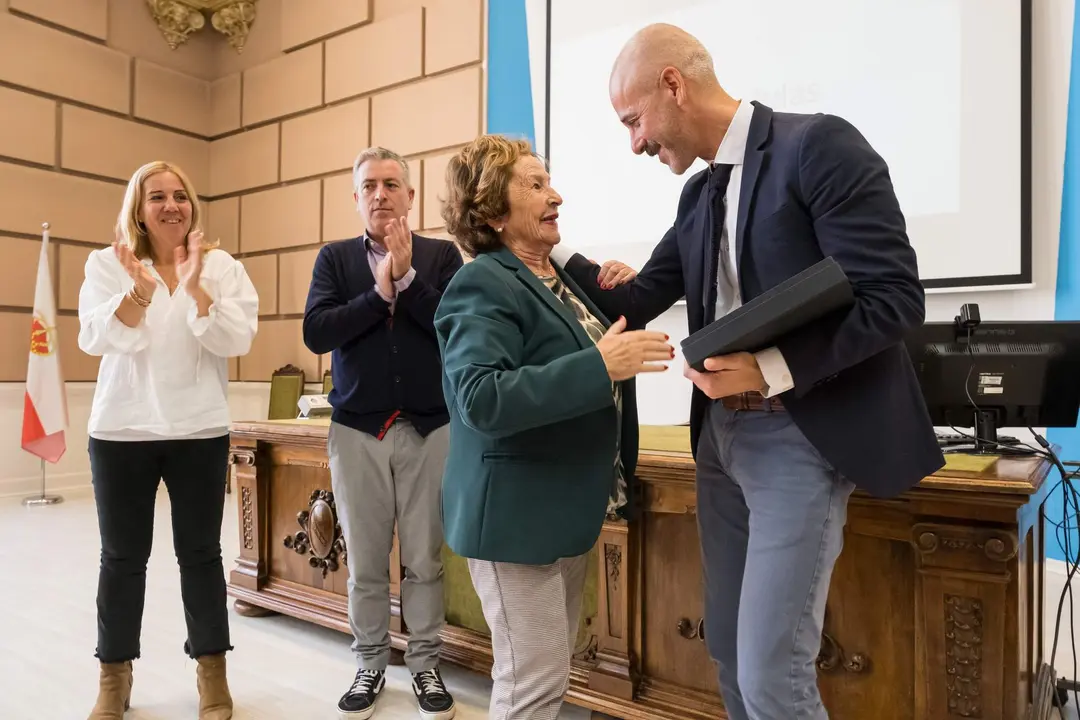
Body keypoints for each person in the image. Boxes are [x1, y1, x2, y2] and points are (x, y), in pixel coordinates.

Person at [550, 24, 945, 720]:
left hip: (799, 438)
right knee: (731, 656)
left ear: (673, 84)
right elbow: (639, 298)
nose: (635, 143)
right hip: (719, 446)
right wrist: (546, 246)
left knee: (771, 676)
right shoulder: (698, 198)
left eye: (633, 121)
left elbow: (894, 299)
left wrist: (769, 369)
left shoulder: (818, 145)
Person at [433, 134, 674, 720]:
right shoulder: (482, 282)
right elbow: (479, 397)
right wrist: (599, 365)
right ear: (492, 210)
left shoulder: (561, 285)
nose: (555, 195)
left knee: (548, 675)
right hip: (515, 518)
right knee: (532, 685)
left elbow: (609, 325)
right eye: (535, 186)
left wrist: (619, 282)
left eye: (550, 182)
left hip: (562, 511)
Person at [78, 161, 258, 720]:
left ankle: (212, 674)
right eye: (157, 196)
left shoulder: (221, 266)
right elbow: (95, 338)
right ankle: (114, 677)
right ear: (138, 208)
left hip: (198, 429)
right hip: (122, 429)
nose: (172, 205)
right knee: (122, 558)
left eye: (180, 195)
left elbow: (237, 336)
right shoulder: (106, 264)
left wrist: (198, 288)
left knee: (201, 556)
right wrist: (139, 289)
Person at [303, 147, 463, 720]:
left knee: (424, 559)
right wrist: (378, 297)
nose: (380, 194)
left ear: (410, 196)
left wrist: (408, 278)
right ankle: (370, 660)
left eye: (392, 184)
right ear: (355, 198)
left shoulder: (443, 256)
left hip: (428, 428)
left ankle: (425, 665)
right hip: (357, 431)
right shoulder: (335, 259)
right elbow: (317, 332)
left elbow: (456, 326)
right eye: (368, 185)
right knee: (367, 561)